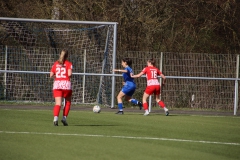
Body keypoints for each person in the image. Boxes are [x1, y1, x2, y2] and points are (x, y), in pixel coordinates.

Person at [50, 49, 73, 126]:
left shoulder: (55, 63)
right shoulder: (69, 63)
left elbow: (51, 75)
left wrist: (57, 76)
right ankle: (64, 118)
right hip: (66, 84)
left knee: (58, 103)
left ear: (60, 55)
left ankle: (55, 119)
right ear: (67, 56)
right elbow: (69, 74)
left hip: (57, 84)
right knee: (68, 102)